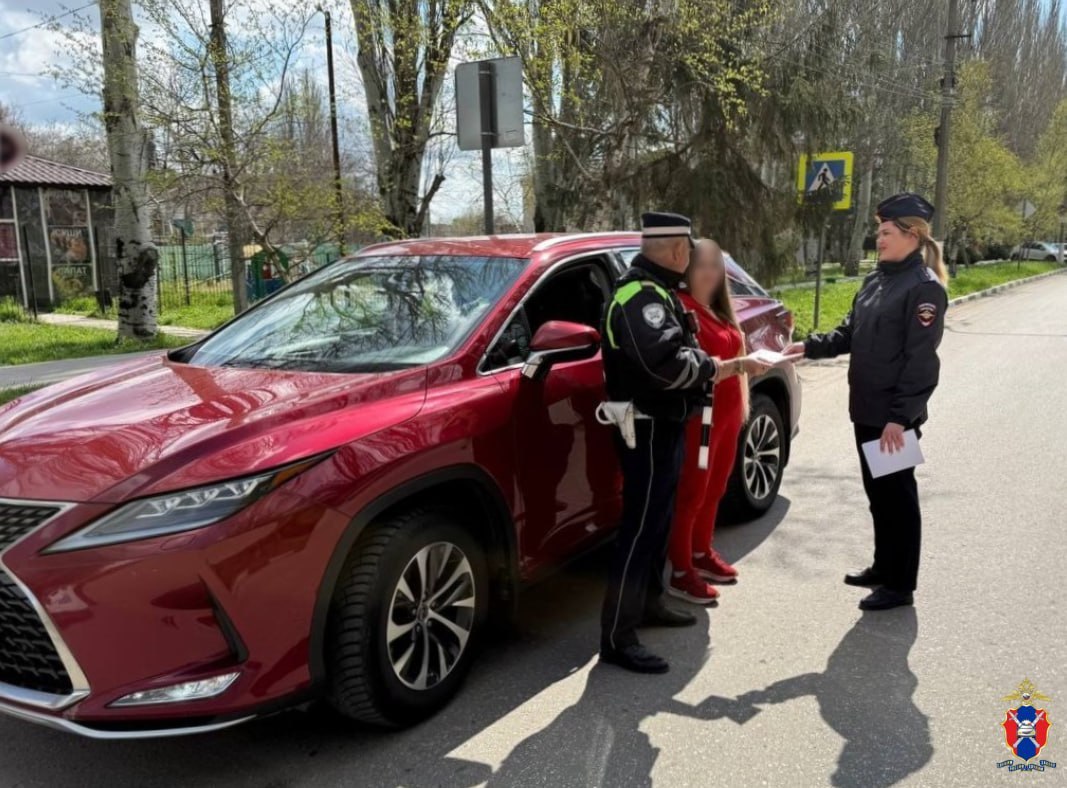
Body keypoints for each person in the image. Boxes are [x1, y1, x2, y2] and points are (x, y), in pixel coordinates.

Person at [785, 192, 948, 611]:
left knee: (899, 498)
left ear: (912, 235)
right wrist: (805, 347)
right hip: (867, 411)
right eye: (878, 231)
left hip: (894, 418)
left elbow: (921, 363)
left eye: (886, 231)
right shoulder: (876, 280)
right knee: (878, 494)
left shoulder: (924, 290)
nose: (879, 238)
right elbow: (847, 334)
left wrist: (901, 418)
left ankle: (901, 584)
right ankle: (883, 566)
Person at [598, 211, 719, 674]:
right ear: (675, 250)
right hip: (645, 429)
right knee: (640, 529)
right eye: (689, 249)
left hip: (663, 425)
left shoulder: (658, 293)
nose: (690, 258)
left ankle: (649, 602)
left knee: (658, 521)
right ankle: (617, 637)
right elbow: (664, 366)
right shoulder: (638, 297)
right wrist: (707, 365)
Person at [669, 239, 770, 604]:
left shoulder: (718, 309)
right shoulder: (682, 310)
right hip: (702, 420)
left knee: (716, 488)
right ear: (686, 270)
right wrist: (742, 364)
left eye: (715, 265)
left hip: (727, 417)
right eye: (701, 265)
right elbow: (690, 368)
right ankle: (681, 571)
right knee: (692, 492)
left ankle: (701, 553)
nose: (710, 272)